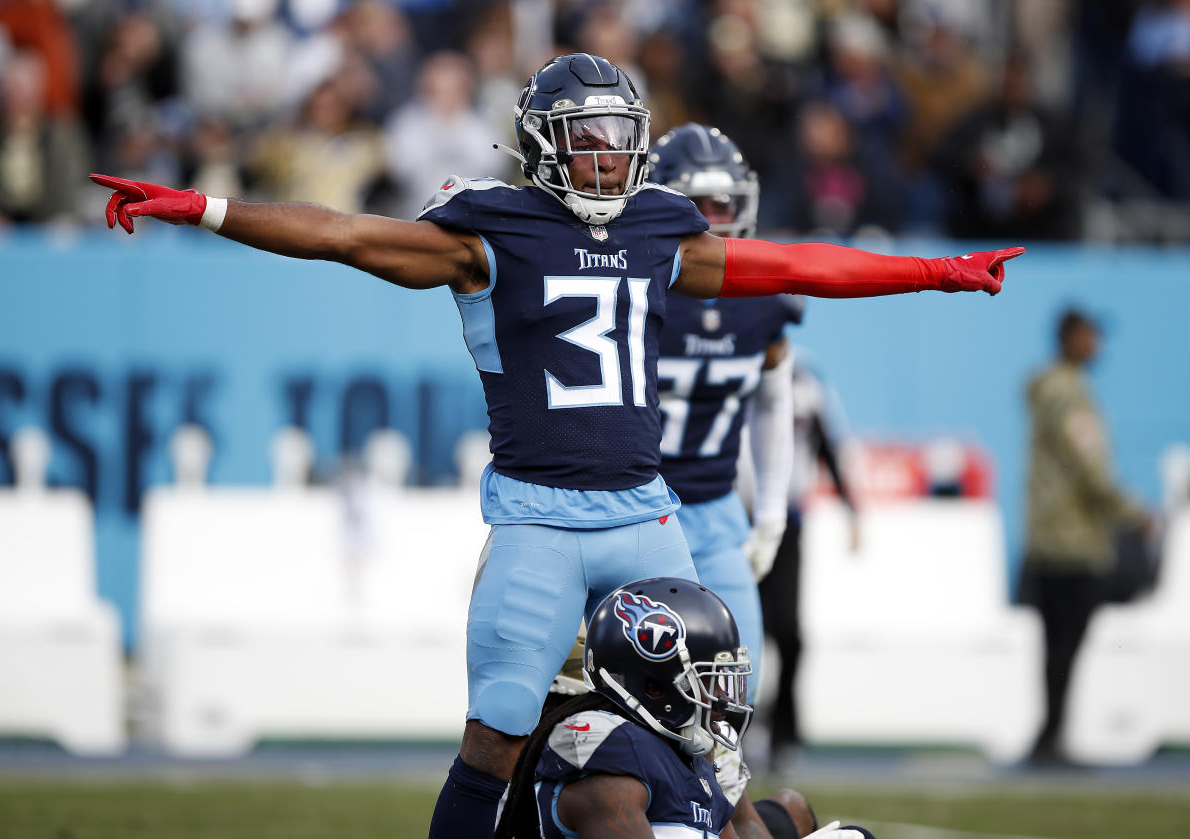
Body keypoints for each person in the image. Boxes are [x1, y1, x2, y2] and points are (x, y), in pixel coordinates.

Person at [89, 53, 1022, 838]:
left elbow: (796, 262)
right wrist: (204, 207)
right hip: (536, 515)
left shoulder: (662, 225)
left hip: (645, 513)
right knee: (495, 731)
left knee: (708, 727)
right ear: (545, 143)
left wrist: (934, 271)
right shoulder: (493, 225)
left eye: (622, 136)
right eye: (591, 136)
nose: (612, 156)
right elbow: (342, 235)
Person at [496, 576, 872, 839]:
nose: (725, 700)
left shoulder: (685, 754)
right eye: (710, 680)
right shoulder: (611, 753)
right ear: (655, 686)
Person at [647, 122, 802, 706]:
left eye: (726, 202)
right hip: (635, 512)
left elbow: (773, 401)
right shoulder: (633, 285)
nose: (715, 216)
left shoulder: (763, 301)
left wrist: (769, 513)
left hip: (714, 512)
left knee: (737, 688)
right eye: (698, 202)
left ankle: (710, 797)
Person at [1021, 307, 1150, 765]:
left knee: (1055, 645)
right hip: (1073, 538)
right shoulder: (1069, 394)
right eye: (1091, 336)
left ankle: (1048, 735)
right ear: (1072, 338)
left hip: (1048, 535)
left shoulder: (1048, 389)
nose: (1097, 346)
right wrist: (1135, 512)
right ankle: (1051, 738)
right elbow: (1091, 470)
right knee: (1066, 644)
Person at [758, 361, 858, 765]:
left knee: (789, 632)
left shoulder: (807, 380)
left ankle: (784, 728)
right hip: (735, 518)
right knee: (739, 630)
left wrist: (853, 509)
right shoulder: (739, 359)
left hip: (787, 522)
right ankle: (730, 724)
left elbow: (827, 445)